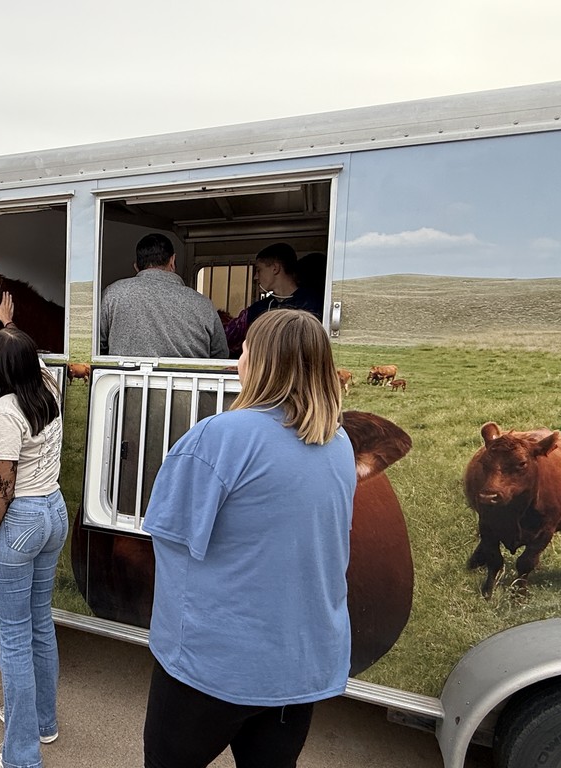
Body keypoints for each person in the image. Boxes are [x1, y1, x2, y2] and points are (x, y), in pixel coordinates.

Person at [141, 309, 356, 768]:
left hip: (213, 665)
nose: (238, 360)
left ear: (261, 364)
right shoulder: (339, 443)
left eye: (244, 351)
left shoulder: (220, 436)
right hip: (300, 664)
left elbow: (170, 534)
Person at [0, 324, 67, 768]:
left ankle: (21, 754)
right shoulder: (46, 385)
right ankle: (43, 722)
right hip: (53, 511)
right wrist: (8, 325)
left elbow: (2, 488)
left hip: (20, 520)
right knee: (40, 623)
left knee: (13, 638)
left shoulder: (3, 414)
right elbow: (30, 355)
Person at [100, 233, 228, 358]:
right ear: (172, 261)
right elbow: (221, 355)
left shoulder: (112, 294)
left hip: (120, 380)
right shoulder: (203, 304)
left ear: (136, 267)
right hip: (187, 380)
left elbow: (97, 345)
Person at [224, 243, 323, 356]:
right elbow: (227, 340)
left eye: (259, 270)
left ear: (275, 269)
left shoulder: (313, 306)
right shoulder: (257, 309)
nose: (256, 277)